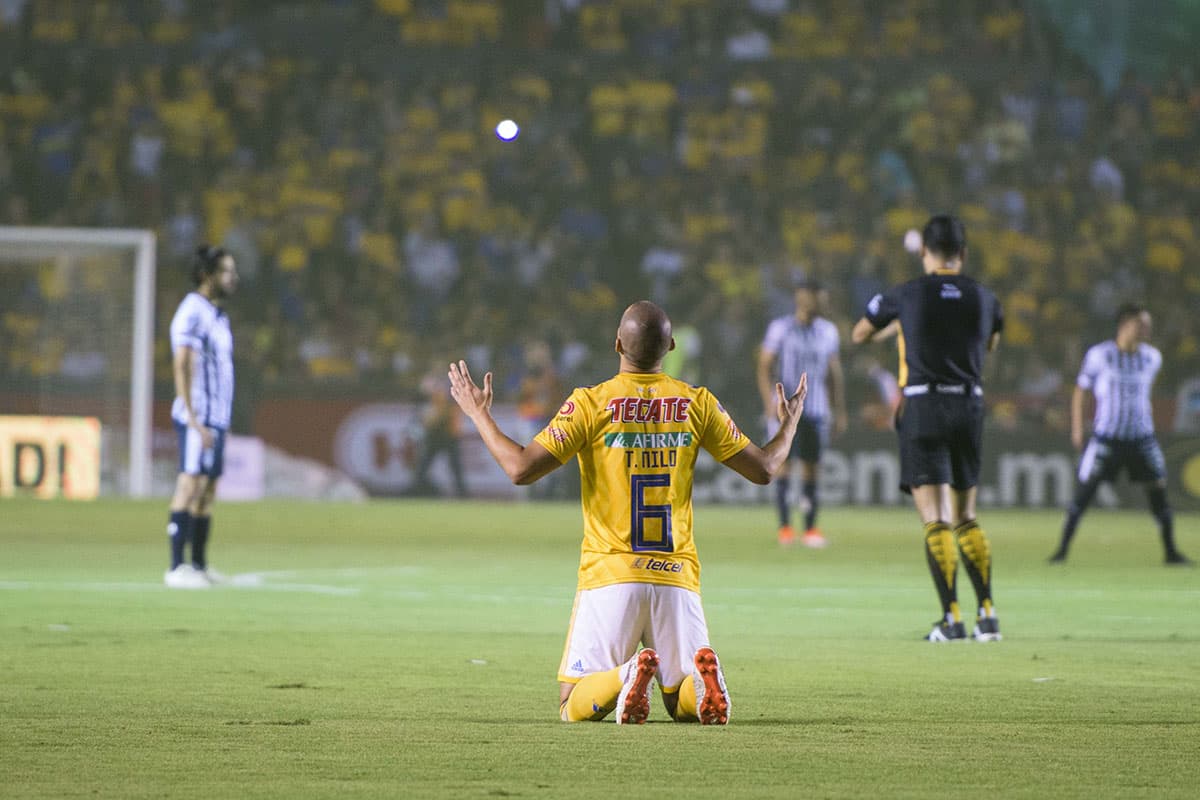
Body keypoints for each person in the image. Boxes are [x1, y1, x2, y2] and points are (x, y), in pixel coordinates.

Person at [447, 300, 807, 725]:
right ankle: (703, 686)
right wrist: (789, 425)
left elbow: (520, 468)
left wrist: (478, 414)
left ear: (617, 343)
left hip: (611, 576)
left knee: (571, 703)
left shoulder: (590, 403)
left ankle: (626, 673)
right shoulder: (696, 403)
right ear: (670, 346)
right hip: (676, 576)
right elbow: (765, 469)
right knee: (680, 699)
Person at [851, 215, 1004, 642]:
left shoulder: (907, 294)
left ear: (924, 252)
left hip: (923, 403)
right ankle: (987, 616)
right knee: (966, 516)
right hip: (969, 403)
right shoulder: (986, 297)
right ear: (964, 253)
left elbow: (860, 333)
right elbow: (991, 344)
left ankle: (952, 619)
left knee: (935, 518)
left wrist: (903, 327)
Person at [1049, 305, 1191, 565]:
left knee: (1158, 491)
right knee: (1083, 494)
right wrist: (1078, 428)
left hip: (1142, 439)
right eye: (1142, 324)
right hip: (1107, 438)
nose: (1147, 330)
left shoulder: (1152, 357)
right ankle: (1061, 551)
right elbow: (1081, 391)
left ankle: (1171, 552)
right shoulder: (1100, 355)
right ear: (1125, 325)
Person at [164, 245, 239, 589]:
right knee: (189, 482)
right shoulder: (192, 311)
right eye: (226, 270)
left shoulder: (217, 315)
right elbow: (182, 363)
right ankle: (176, 567)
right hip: (199, 415)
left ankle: (198, 565)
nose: (233, 277)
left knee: (207, 489)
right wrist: (193, 419)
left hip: (216, 416)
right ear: (207, 275)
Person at [756, 281, 847, 547]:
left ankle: (810, 529)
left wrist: (838, 408)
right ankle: (785, 528)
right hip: (785, 409)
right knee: (783, 466)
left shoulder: (828, 332)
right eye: (813, 299)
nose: (817, 304)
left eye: (821, 299)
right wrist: (767, 401)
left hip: (817, 409)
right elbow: (764, 366)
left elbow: (833, 373)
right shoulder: (781, 329)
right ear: (801, 299)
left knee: (812, 469)